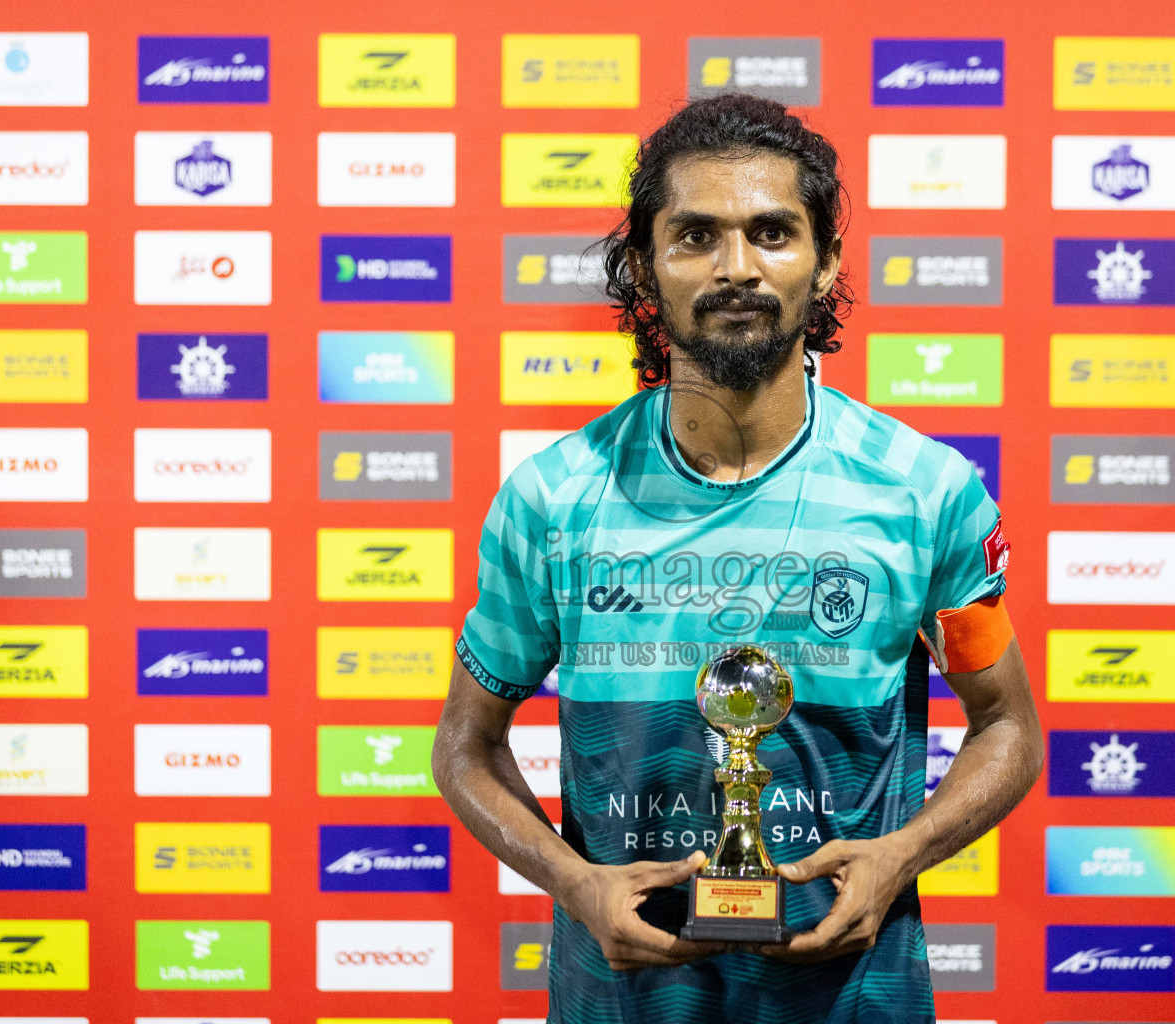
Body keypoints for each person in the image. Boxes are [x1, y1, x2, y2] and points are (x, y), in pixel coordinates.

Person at [432, 93, 1042, 1024]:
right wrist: (573, 882)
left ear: (827, 259)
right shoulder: (552, 499)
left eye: (772, 232)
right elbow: (465, 751)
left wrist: (901, 853)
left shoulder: (927, 492)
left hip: (853, 1001)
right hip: (622, 1002)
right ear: (645, 264)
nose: (737, 268)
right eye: (696, 237)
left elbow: (1010, 729)